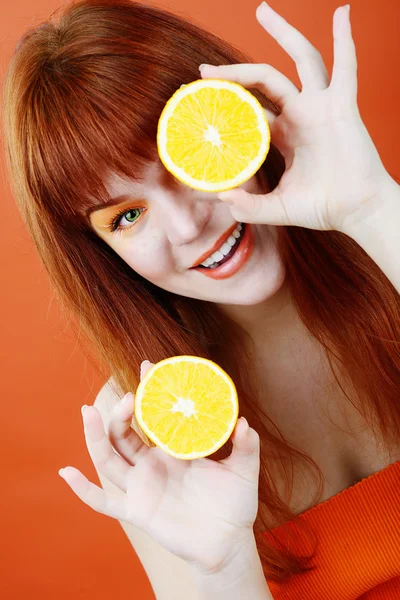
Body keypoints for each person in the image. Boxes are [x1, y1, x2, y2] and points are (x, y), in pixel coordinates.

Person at [2, 0, 400, 598]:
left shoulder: (389, 242)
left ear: (241, 121)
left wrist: (373, 209)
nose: (188, 228)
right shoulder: (156, 421)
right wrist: (223, 571)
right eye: (127, 215)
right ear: (100, 252)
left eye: (185, 159)